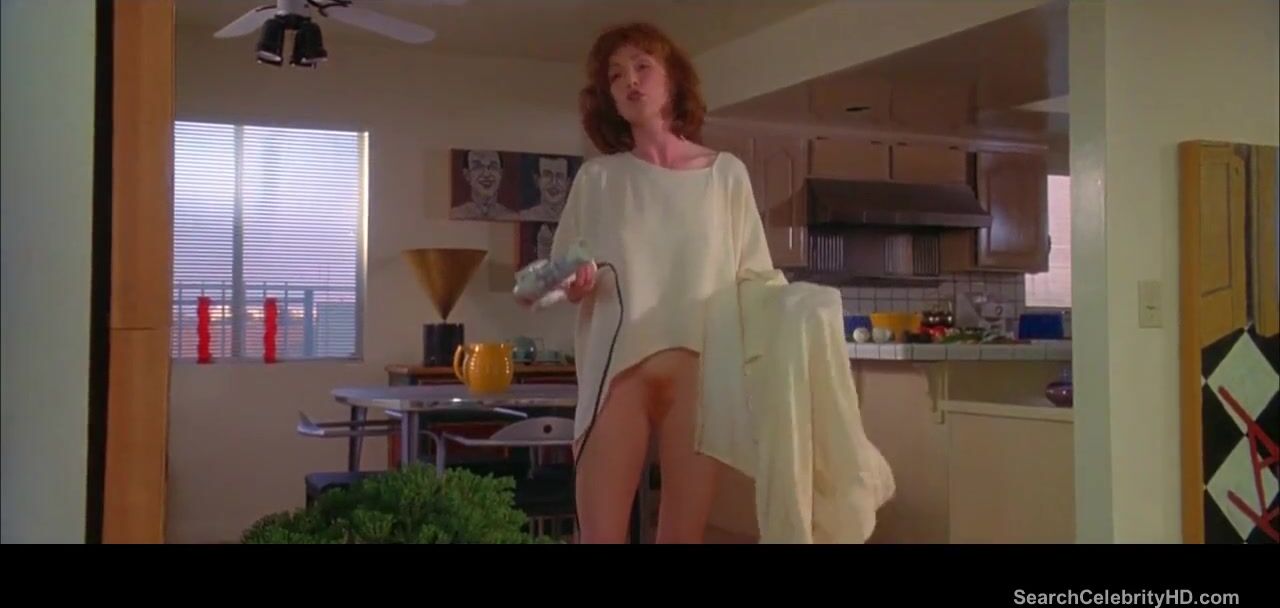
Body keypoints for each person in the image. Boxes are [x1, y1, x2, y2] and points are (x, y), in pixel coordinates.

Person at [517, 22, 775, 544]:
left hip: (701, 377)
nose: (630, 81)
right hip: (618, 376)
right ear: (609, 98)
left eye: (642, 67)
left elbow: (757, 277)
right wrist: (572, 283)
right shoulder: (599, 180)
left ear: (672, 79)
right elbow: (539, 283)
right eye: (616, 76)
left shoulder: (726, 175)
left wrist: (802, 319)